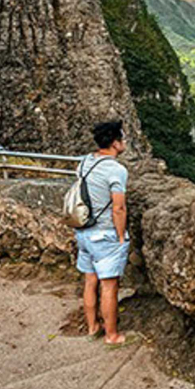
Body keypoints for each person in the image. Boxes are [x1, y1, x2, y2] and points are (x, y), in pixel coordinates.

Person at [75, 120, 130, 346]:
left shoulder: (85, 162)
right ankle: (112, 335)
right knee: (109, 286)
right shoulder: (116, 170)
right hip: (105, 234)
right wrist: (120, 236)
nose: (125, 142)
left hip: (83, 232)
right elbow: (118, 207)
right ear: (115, 143)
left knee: (90, 280)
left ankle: (92, 327)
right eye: (123, 139)